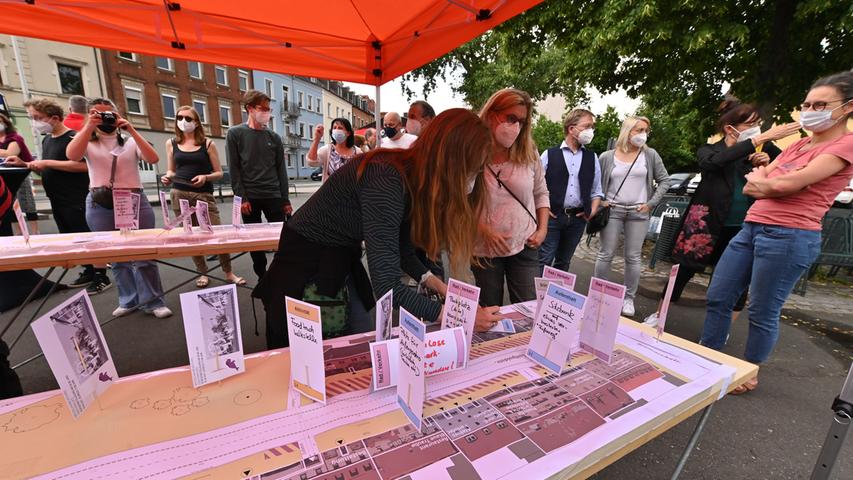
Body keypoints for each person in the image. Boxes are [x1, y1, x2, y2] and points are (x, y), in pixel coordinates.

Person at [253, 109, 504, 349]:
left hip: (339, 255)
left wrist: (441, 288)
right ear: (451, 161)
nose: (473, 178)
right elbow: (388, 286)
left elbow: (402, 249)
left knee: (360, 332)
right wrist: (459, 316)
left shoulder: (411, 176)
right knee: (313, 350)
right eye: (472, 169)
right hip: (305, 263)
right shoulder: (386, 178)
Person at [700, 72, 853, 394]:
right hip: (752, 228)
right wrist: (773, 182)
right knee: (717, 296)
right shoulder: (799, 144)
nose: (811, 109)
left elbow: (782, 183)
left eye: (821, 104)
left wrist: (774, 182)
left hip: (790, 235)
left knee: (762, 309)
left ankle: (749, 372)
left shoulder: (845, 145)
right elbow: (761, 180)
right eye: (808, 103)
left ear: (847, 107)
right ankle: (707, 359)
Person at [666, 98, 797, 321]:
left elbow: (790, 168)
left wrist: (768, 162)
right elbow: (713, 163)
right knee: (682, 271)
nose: (757, 131)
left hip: (742, 226)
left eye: (759, 125)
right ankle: (660, 316)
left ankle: (721, 328)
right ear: (730, 128)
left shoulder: (761, 151)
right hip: (705, 225)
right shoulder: (710, 150)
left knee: (736, 279)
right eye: (751, 126)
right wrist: (758, 139)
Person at [66, 97, 173, 318]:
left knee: (144, 253)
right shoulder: (87, 139)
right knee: (116, 256)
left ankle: (154, 301)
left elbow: (152, 158)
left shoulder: (129, 141)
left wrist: (131, 129)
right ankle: (128, 300)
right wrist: (89, 126)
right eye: (97, 113)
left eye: (109, 114)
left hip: (134, 199)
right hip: (100, 201)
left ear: (117, 116)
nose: (104, 118)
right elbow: (72, 155)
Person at [22, 98, 109, 291]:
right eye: (32, 118)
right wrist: (26, 165)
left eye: (38, 118)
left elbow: (84, 165)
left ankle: (101, 275)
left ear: (54, 118)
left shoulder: (72, 137)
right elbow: (47, 168)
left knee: (87, 238)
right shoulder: (47, 140)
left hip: (75, 198)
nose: (35, 122)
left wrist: (48, 164)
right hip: (57, 199)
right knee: (72, 238)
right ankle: (88, 269)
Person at [472, 89, 549, 306]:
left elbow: (541, 192)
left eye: (521, 121)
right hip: (483, 247)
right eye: (510, 118)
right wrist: (483, 229)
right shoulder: (471, 151)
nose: (516, 127)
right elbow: (458, 202)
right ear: (491, 113)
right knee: (489, 311)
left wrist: (542, 230)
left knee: (527, 309)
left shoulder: (528, 151)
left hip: (525, 243)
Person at [593, 116, 670, 316]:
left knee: (633, 256)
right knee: (605, 253)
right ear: (627, 131)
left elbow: (665, 181)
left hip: (638, 212)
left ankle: (628, 298)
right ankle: (599, 294)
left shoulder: (650, 155)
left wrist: (651, 203)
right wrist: (601, 201)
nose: (643, 134)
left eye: (645, 130)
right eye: (639, 130)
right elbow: (596, 184)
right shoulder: (607, 156)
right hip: (613, 210)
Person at [161, 106, 245, 288]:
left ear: (197, 122)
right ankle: (202, 272)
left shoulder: (207, 144)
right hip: (179, 193)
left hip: (203, 194)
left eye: (188, 118)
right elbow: (171, 169)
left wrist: (205, 177)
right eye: (180, 117)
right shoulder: (171, 143)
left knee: (217, 234)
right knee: (191, 236)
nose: (183, 121)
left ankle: (228, 272)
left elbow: (219, 172)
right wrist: (167, 176)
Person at [226, 90, 292, 280]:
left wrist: (285, 199)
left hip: (273, 196)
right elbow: (235, 169)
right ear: (250, 108)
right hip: (250, 198)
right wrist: (242, 197)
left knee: (281, 239)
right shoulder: (235, 134)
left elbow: (281, 171)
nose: (267, 113)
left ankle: (279, 275)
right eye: (263, 109)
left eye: (269, 109)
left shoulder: (274, 138)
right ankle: (262, 275)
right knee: (255, 242)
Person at [539, 108, 603, 273]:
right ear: (571, 128)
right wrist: (543, 210)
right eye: (587, 126)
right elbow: (535, 186)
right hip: (552, 217)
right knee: (544, 258)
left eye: (592, 127)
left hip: (577, 219)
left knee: (564, 262)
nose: (591, 131)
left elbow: (597, 191)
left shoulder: (592, 157)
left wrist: (592, 211)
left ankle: (555, 298)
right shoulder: (549, 154)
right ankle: (535, 297)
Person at [0, 113, 39, 235]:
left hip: (20, 174)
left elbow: (10, 153)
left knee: (27, 203)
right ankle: (17, 232)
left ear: (6, 123)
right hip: (5, 175)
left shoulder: (15, 138)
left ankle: (35, 231)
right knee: (9, 204)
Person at [307, 117, 359, 182]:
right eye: (334, 128)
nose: (336, 130)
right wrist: (317, 139)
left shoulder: (358, 152)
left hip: (352, 191)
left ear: (348, 133)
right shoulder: (327, 150)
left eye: (340, 128)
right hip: (331, 191)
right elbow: (311, 162)